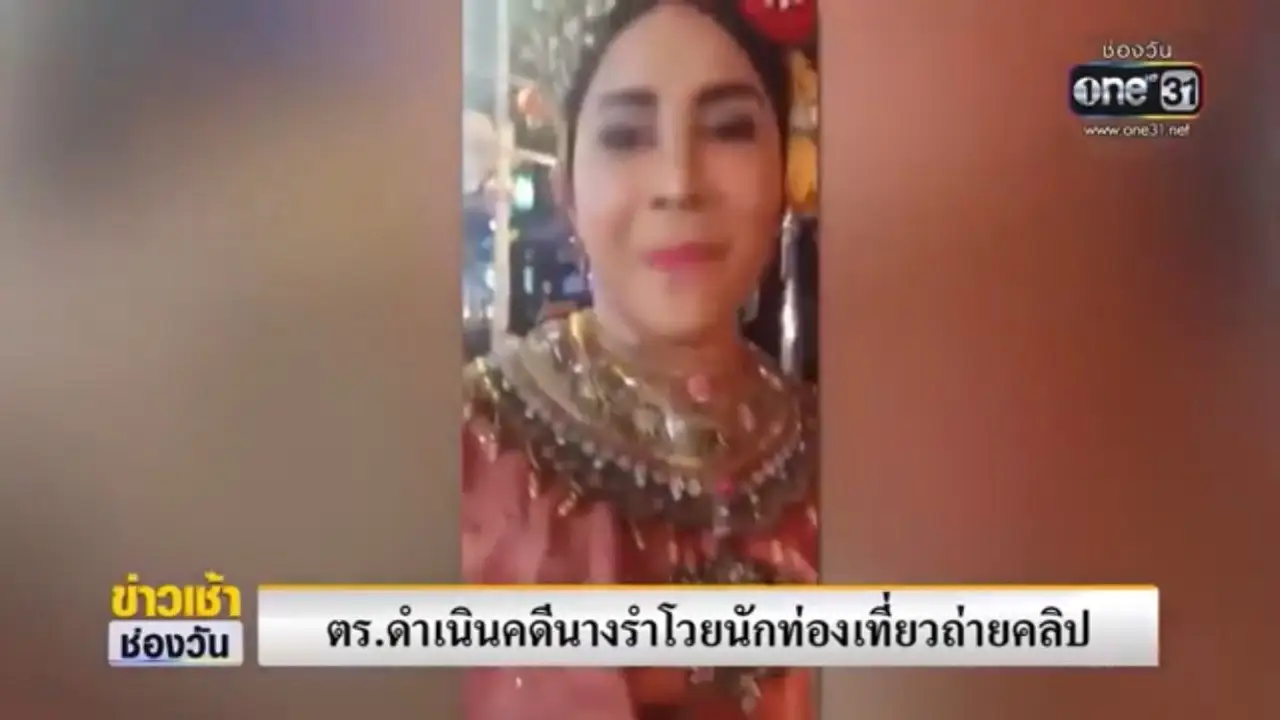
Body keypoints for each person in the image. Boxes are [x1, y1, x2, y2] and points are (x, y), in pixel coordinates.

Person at [462, 2, 817, 718]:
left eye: (728, 129)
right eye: (625, 136)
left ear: (785, 173)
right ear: (566, 189)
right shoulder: (466, 459)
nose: (679, 182)